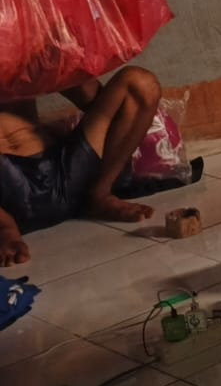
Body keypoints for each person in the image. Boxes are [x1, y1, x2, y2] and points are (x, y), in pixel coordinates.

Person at [1, 68, 162, 266]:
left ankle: (99, 196)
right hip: (7, 191)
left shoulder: (17, 52)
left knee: (140, 84)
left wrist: (53, 67)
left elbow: (90, 98)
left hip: (61, 169)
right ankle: (4, 226)